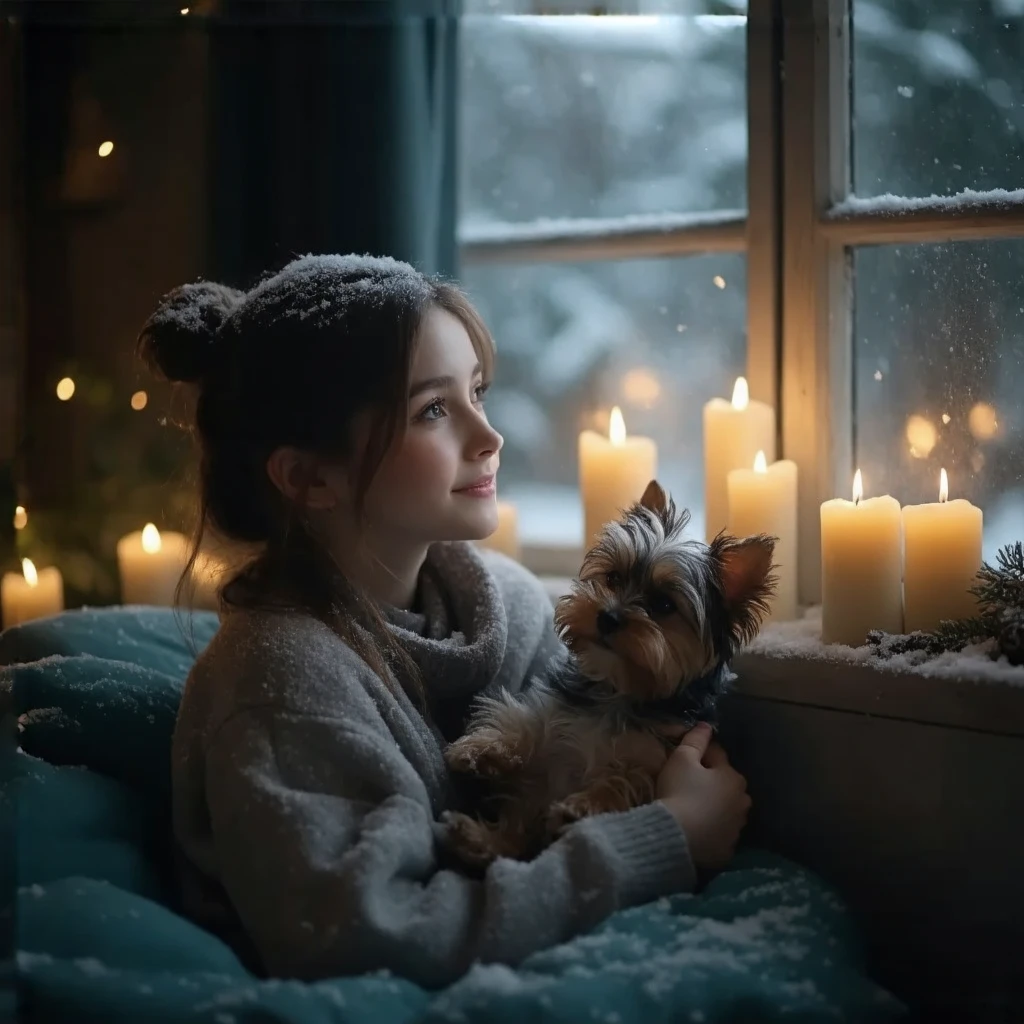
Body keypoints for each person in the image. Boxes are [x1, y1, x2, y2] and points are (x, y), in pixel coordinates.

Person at [138, 253, 751, 988]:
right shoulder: (281, 681)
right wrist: (667, 837)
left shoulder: (514, 606)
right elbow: (369, 938)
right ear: (309, 477)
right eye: (433, 409)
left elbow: (565, 796)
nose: (489, 435)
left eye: (477, 393)